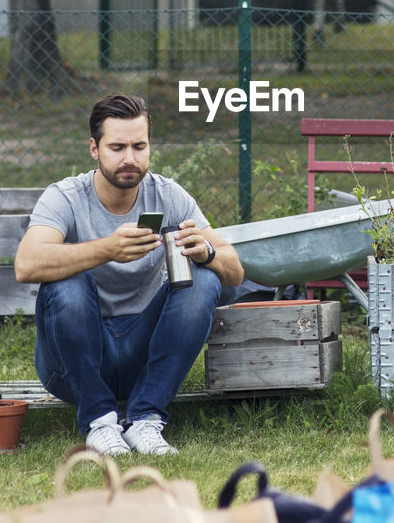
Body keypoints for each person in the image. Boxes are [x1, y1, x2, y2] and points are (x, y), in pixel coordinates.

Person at [14, 93, 244, 456]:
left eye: (140, 146)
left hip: (143, 353)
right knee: (66, 279)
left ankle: (146, 420)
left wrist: (208, 252)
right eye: (117, 147)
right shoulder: (65, 196)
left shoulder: (168, 196)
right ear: (94, 148)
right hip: (72, 363)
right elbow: (26, 264)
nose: (130, 159)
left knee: (205, 278)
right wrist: (107, 249)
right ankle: (99, 422)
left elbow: (235, 270)